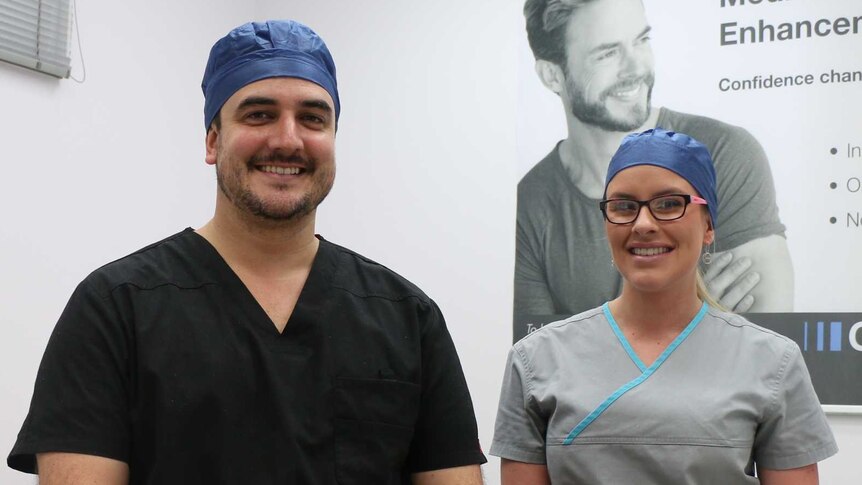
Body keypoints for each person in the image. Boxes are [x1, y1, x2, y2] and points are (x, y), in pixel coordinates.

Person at [7, 20, 486, 484]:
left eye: (313, 119)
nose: (288, 139)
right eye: (259, 114)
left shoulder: (408, 318)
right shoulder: (115, 308)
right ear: (213, 140)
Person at [492, 128, 837, 484]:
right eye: (624, 207)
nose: (643, 224)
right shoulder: (536, 360)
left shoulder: (772, 362)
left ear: (709, 225)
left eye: (669, 204)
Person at [515, 0, 793, 331]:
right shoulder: (530, 202)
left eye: (641, 40)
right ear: (551, 75)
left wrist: (596, 339)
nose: (636, 68)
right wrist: (672, 321)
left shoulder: (724, 154)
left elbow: (766, 352)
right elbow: (542, 372)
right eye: (607, 53)